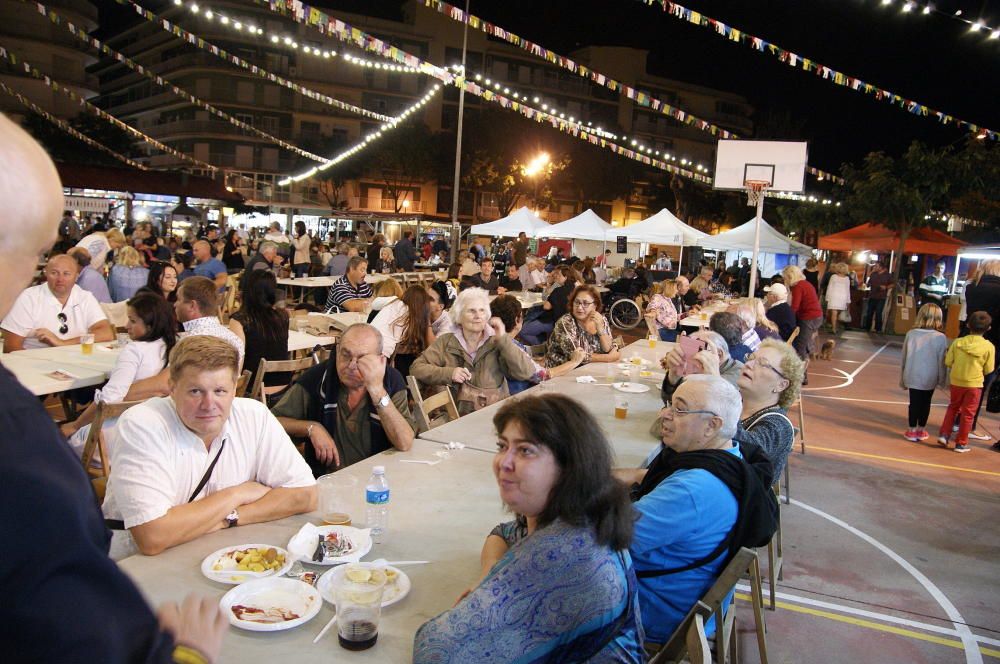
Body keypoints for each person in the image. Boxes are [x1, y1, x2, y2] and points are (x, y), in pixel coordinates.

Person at [0, 114, 230, 664]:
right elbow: (74, 631)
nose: (40, 276)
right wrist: (185, 654)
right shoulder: (18, 449)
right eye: (34, 257)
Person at [414, 394, 645, 662]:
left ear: (568, 467)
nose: (504, 462)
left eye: (525, 450)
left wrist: (497, 585)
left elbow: (436, 649)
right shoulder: (585, 515)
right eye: (503, 446)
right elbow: (504, 532)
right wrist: (491, 574)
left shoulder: (561, 555)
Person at [103, 336, 317, 557]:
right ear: (172, 388)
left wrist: (230, 517)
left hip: (222, 553)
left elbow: (305, 495)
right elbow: (153, 537)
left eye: (220, 391)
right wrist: (236, 494)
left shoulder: (255, 415)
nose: (208, 405)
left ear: (235, 388)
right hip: (133, 567)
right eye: (195, 391)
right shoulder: (142, 424)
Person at [616, 376, 777, 646]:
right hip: (689, 595)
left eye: (679, 409)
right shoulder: (732, 458)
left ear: (712, 426)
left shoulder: (692, 490)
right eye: (669, 404)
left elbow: (609, 538)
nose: (664, 414)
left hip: (656, 609)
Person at [271, 324, 414, 474]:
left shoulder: (391, 382)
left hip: (379, 479)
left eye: (362, 358)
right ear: (337, 351)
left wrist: (377, 391)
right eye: (346, 355)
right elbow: (272, 421)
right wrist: (312, 428)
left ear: (380, 360)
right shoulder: (317, 380)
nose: (351, 365)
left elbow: (404, 443)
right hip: (327, 481)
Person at [61, 293, 178, 457]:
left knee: (57, 440)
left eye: (132, 320)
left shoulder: (135, 350)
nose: (126, 325)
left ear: (150, 325)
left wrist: (75, 425)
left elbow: (110, 398)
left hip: (116, 439)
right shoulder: (173, 346)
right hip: (154, 435)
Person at [410, 287, 538, 414]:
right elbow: (416, 368)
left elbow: (526, 372)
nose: (478, 316)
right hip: (457, 417)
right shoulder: (446, 342)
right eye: (471, 311)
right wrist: (449, 373)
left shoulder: (498, 341)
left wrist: (503, 339)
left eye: (482, 311)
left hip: (495, 415)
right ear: (459, 315)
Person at [1, 254, 113, 351]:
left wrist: (62, 343)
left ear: (76, 277)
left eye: (66, 274)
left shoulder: (85, 297)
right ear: (46, 273)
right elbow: (11, 347)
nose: (60, 279)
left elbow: (106, 333)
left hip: (75, 361)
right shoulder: (28, 298)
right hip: (33, 364)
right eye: (54, 273)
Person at [734, 340, 804, 479]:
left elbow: (747, 448)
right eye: (751, 358)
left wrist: (714, 384)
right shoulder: (737, 405)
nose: (748, 364)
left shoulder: (780, 425)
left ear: (781, 385)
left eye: (763, 364)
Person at [489, 295, 584, 394]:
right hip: (518, 397)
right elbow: (543, 375)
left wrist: (546, 346)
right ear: (518, 319)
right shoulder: (510, 348)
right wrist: (574, 362)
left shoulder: (493, 339)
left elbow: (524, 350)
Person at [937, 311, 995, 453]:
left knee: (953, 408)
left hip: (956, 382)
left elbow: (948, 361)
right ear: (988, 328)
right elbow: (989, 369)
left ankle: (944, 435)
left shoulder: (958, 342)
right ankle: (961, 443)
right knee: (968, 414)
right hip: (974, 384)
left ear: (968, 325)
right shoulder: (989, 347)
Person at [229, 270, 289, 388]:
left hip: (253, 391)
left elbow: (237, 363)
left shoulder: (239, 320)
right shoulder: (282, 316)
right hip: (284, 390)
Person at [963, 260, 1000, 446]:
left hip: (969, 339)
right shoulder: (997, 290)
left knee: (964, 385)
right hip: (993, 343)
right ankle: (969, 426)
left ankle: (959, 423)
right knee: (980, 387)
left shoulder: (972, 288)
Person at [900, 304, 949, 442]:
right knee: (926, 402)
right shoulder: (941, 337)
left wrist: (902, 378)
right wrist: (942, 379)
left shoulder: (911, 334)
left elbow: (904, 357)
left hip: (912, 373)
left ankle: (911, 430)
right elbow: (942, 361)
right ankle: (921, 429)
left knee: (914, 402)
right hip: (930, 376)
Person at [544, 284, 621, 368]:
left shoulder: (600, 319)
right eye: (577, 302)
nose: (580, 307)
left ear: (595, 305)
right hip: (563, 372)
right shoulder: (566, 322)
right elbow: (576, 356)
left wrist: (600, 328)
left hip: (591, 370)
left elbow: (608, 348)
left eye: (585, 303)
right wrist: (608, 358)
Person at [660, 329, 743, 404]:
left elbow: (711, 407)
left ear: (719, 355)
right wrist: (674, 374)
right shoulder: (697, 370)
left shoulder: (739, 373)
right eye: (688, 348)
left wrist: (713, 378)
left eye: (698, 349)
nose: (688, 355)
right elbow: (671, 402)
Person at [370, 284, 434, 377]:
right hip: (381, 354)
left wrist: (393, 299)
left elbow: (374, 304)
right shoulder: (410, 318)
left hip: (367, 340)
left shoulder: (394, 302)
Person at [518, 265, 576, 345]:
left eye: (559, 275)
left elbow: (547, 306)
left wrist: (547, 296)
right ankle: (546, 342)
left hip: (553, 321)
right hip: (569, 322)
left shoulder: (559, 290)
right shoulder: (575, 289)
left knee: (522, 331)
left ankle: (541, 345)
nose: (556, 276)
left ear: (565, 277)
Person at [783, 264, 823, 374]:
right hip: (815, 316)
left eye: (785, 277)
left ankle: (801, 376)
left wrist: (787, 316)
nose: (784, 280)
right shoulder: (806, 284)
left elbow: (795, 307)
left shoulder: (798, 287)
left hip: (809, 317)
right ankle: (802, 374)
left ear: (790, 277)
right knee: (803, 345)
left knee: (800, 347)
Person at [864, 263, 894, 333]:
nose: (875, 267)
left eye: (877, 266)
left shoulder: (888, 275)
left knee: (878, 312)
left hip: (881, 297)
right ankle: (867, 327)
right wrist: (868, 281)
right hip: (872, 295)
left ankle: (878, 329)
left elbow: (892, 284)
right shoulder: (873, 274)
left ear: (881, 267)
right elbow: (868, 284)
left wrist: (885, 287)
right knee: (869, 312)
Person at [825, 262, 852, 334]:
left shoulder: (833, 276)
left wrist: (827, 298)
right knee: (839, 313)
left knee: (834, 313)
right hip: (843, 297)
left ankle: (834, 328)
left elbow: (829, 288)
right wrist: (848, 301)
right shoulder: (847, 278)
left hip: (834, 296)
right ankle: (836, 327)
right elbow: (847, 290)